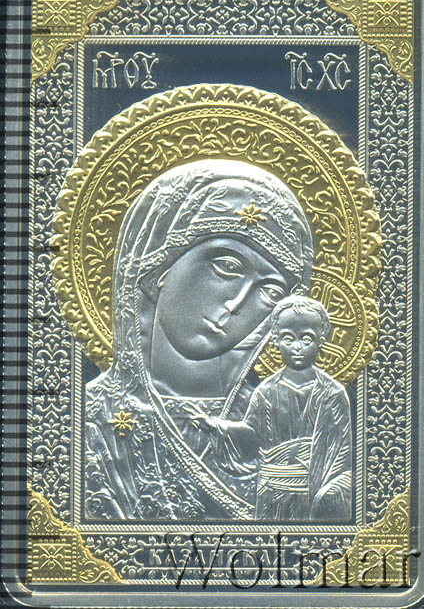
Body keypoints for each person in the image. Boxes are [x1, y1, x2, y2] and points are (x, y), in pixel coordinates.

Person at [84, 159, 314, 520]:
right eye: (227, 266)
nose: (236, 304)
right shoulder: (86, 422)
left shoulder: (280, 421)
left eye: (270, 291)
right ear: (160, 266)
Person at [193, 295, 352, 521]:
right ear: (275, 340)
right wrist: (218, 427)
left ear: (321, 340)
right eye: (288, 338)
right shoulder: (265, 391)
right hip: (271, 496)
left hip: (313, 496)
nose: (297, 347)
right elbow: (251, 436)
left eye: (306, 339)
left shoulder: (333, 393)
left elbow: (341, 455)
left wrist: (327, 497)